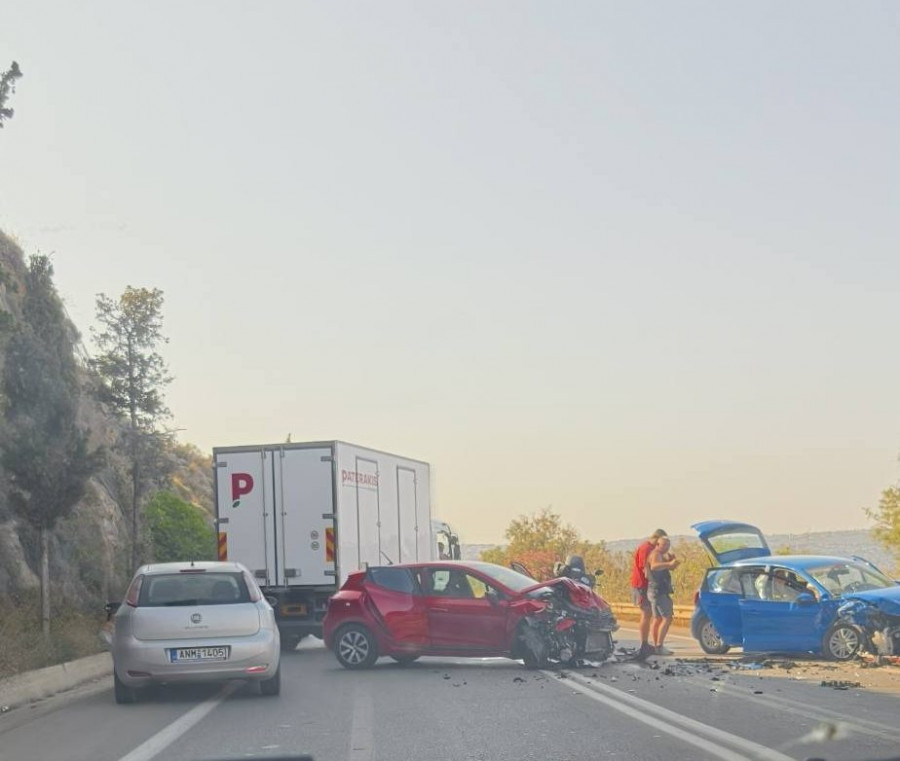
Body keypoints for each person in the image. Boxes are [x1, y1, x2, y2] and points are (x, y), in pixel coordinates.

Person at [631, 528, 667, 659]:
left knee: (649, 614)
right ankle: (644, 644)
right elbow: (646, 570)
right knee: (646, 614)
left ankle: (646, 643)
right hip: (641, 585)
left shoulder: (651, 548)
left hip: (646, 586)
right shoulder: (646, 549)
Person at [647, 535, 680, 655]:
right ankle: (659, 645)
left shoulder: (660, 555)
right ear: (657, 545)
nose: (666, 547)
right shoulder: (656, 554)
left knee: (658, 619)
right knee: (667, 618)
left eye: (668, 545)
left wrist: (672, 563)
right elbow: (654, 566)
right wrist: (668, 563)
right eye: (664, 545)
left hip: (655, 590)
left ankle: (657, 646)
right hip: (658, 591)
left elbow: (666, 568)